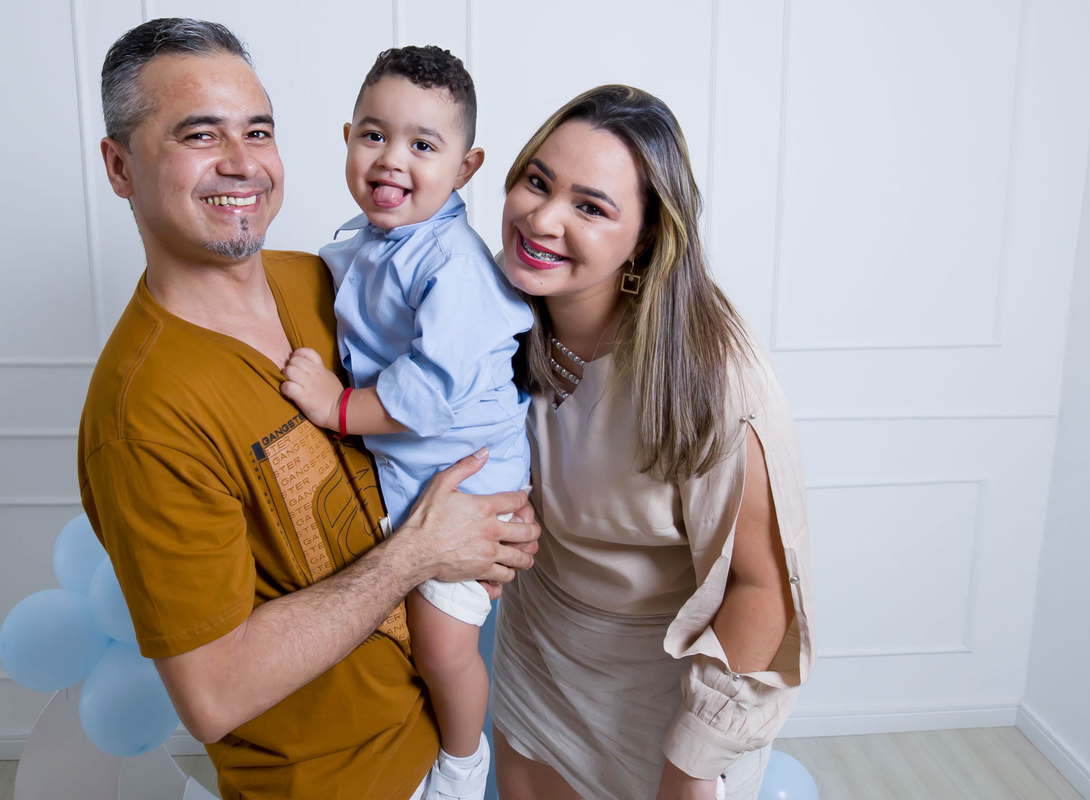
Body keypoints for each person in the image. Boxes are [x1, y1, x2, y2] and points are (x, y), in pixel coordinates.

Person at [77, 18, 538, 800]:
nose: (242, 161)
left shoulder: (330, 282)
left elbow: (472, 376)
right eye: (200, 134)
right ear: (120, 167)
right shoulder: (143, 416)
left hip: (439, 737)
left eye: (257, 130)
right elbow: (214, 695)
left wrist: (506, 515)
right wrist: (421, 550)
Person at [488, 85, 816, 800]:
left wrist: (693, 763)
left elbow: (761, 588)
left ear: (644, 237)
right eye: (537, 182)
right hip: (535, 656)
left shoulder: (716, 374)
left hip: (659, 689)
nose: (542, 219)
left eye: (590, 206)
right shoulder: (487, 312)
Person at [279, 45, 532, 800]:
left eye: (423, 145)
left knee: (442, 645)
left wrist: (335, 406)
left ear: (465, 167)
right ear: (347, 138)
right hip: (415, 472)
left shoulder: (453, 264)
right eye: (374, 135)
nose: (392, 158)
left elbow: (425, 393)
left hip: (474, 483)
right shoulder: (370, 242)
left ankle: (463, 763)